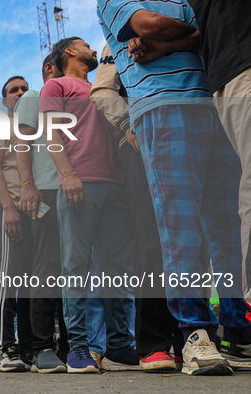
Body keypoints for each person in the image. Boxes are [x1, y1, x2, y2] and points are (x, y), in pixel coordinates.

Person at [98, 0, 250, 375]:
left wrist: (170, 39)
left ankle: (236, 330)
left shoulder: (184, 0)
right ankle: (194, 332)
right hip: (161, 106)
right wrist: (185, 34)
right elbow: (149, 25)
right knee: (178, 227)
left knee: (228, 228)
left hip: (214, 99)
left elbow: (200, 31)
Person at [41, 37, 139, 373]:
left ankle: (120, 347)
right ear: (70, 51)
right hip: (79, 182)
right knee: (76, 266)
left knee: (118, 269)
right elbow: (52, 135)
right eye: (85, 45)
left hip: (117, 185)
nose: (92, 51)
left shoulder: (104, 86)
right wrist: (68, 174)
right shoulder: (57, 85)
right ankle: (78, 348)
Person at [90, 43, 184, 372]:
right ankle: (154, 342)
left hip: (185, 131)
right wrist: (130, 125)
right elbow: (102, 90)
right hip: (139, 139)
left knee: (189, 235)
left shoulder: (184, 16)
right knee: (150, 236)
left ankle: (190, 335)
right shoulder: (122, 31)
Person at [187, 0, 251, 318]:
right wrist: (125, 126)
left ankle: (237, 327)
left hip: (225, 90)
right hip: (238, 71)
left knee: (224, 230)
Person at [14, 55, 70, 373]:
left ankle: (66, 345)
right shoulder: (33, 98)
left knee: (70, 268)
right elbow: (23, 142)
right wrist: (27, 184)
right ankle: (41, 347)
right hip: (46, 189)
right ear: (50, 68)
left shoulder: (72, 101)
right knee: (46, 264)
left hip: (72, 190)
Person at [0, 76, 36, 372]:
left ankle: (28, 347)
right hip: (10, 209)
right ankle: (5, 347)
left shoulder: (38, 127)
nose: (20, 92)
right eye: (13, 90)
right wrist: (8, 208)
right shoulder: (0, 126)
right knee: (7, 279)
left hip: (36, 215)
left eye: (24, 89)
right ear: (4, 101)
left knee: (31, 282)